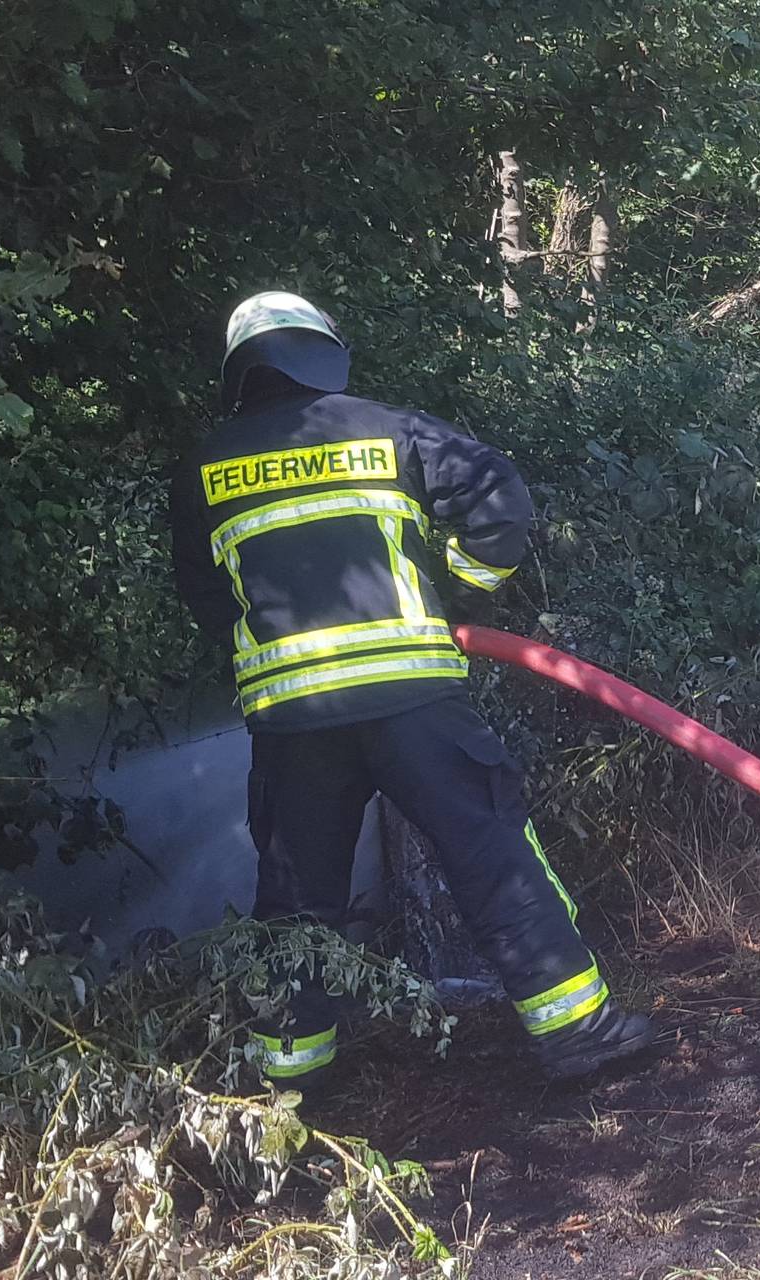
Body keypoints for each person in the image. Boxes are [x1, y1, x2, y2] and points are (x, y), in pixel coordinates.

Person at [166, 291, 655, 1088]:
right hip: (413, 696)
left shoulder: (205, 467)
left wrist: (268, 651)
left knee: (296, 902)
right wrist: (455, 594)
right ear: (321, 349)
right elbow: (499, 503)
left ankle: (288, 1078)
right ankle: (577, 1033)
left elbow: (205, 592)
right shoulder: (387, 429)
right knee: (490, 855)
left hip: (293, 721)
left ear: (240, 370)